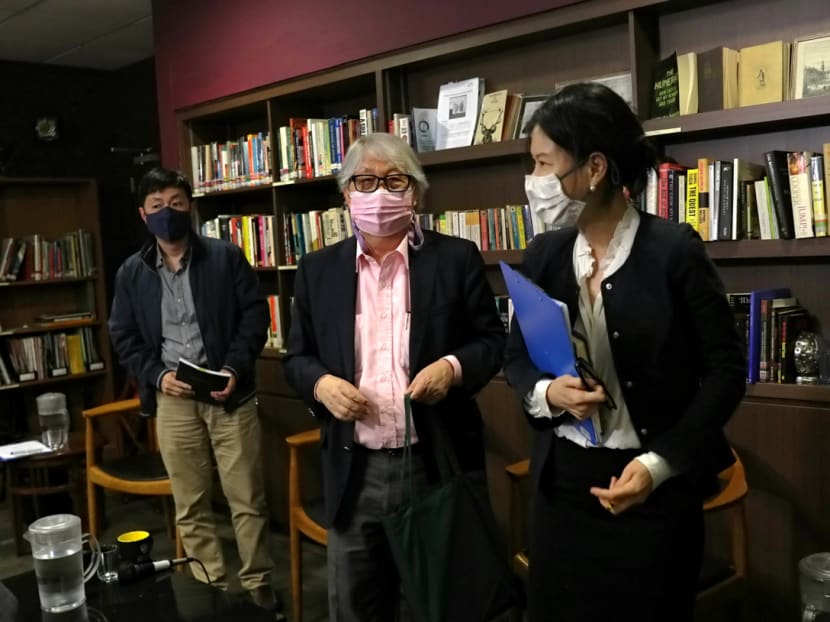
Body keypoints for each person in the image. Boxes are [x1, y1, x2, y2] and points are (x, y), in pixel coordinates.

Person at [503, 83, 746, 622]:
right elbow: (516, 357)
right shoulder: (545, 252)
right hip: (562, 490)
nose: (535, 183)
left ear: (594, 168)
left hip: (653, 494)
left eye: (545, 165)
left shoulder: (673, 250)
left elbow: (727, 371)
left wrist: (659, 466)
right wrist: (548, 393)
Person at [282, 133, 506, 622]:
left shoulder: (455, 258)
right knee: (358, 607)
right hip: (353, 469)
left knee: (446, 603)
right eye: (365, 181)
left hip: (435, 462)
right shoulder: (318, 270)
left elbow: (491, 342)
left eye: (393, 180)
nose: (378, 192)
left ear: (415, 193)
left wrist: (452, 368)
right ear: (346, 194)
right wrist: (321, 384)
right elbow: (297, 357)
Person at [108, 167, 282, 616]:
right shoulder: (132, 272)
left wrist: (234, 368)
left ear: (191, 206)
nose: (168, 213)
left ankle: (260, 589)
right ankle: (212, 592)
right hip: (173, 399)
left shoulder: (225, 257)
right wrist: (156, 376)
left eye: (177, 204)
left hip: (228, 393)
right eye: (157, 206)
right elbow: (123, 335)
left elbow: (253, 316)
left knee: (247, 498)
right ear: (143, 215)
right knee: (190, 505)